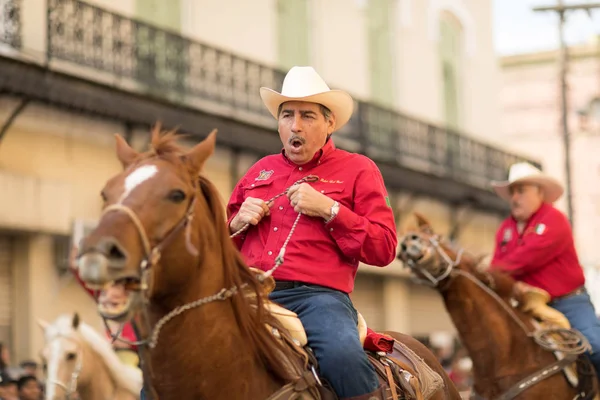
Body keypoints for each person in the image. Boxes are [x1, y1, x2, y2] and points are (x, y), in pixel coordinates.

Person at [226, 66, 397, 400]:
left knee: (342, 356)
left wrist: (331, 211)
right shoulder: (258, 170)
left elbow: (384, 247)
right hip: (246, 291)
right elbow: (219, 248)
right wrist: (233, 225)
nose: (295, 125)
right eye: (287, 115)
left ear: (329, 123)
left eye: (307, 116)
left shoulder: (359, 169)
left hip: (317, 298)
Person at [490, 162, 600, 381]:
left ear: (539, 192)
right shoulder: (505, 229)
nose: (515, 197)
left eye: (521, 190)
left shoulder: (554, 219)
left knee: (594, 347)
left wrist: (491, 273)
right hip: (525, 306)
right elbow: (500, 267)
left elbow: (522, 259)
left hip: (568, 303)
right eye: (512, 191)